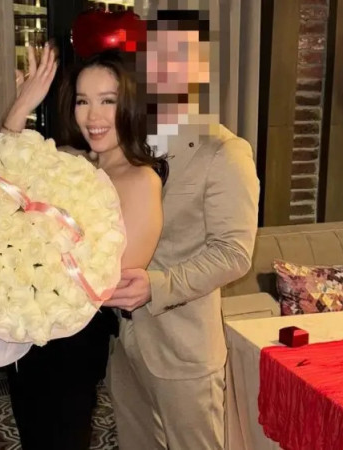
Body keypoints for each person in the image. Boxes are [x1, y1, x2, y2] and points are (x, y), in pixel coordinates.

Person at [103, 9, 261, 450]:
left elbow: (233, 253)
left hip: (183, 348)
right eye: (154, 56)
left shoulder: (224, 151)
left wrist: (157, 286)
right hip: (124, 341)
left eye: (178, 58)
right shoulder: (124, 141)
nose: (163, 69)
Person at [1, 44, 165, 450]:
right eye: (82, 101)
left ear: (130, 105)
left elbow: (115, 278)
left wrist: (28, 251)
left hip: (73, 341)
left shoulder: (140, 179)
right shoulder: (68, 158)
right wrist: (22, 105)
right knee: (32, 435)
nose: (93, 116)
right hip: (25, 332)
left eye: (107, 101)